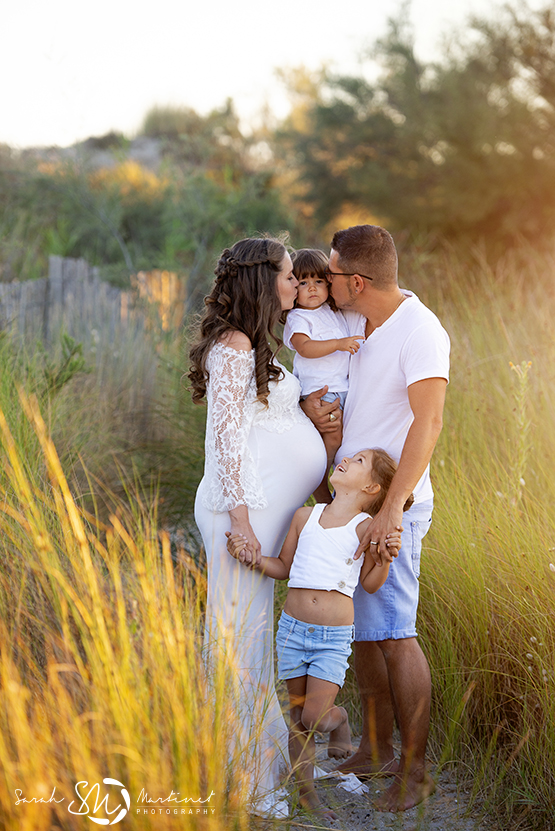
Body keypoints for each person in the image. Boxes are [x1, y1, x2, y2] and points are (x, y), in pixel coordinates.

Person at [301, 224, 450, 812]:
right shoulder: (362, 323)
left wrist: (390, 510)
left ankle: (413, 775)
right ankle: (376, 747)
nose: (323, 281)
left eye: (331, 274)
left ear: (355, 281)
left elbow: (428, 423)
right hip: (353, 504)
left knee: (395, 636)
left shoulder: (421, 330)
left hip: (395, 507)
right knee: (363, 634)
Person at [188, 237, 332, 817]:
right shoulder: (232, 345)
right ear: (262, 280)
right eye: (289, 275)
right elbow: (226, 441)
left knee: (250, 635)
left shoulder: (253, 344)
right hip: (237, 511)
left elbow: (259, 419)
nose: (296, 285)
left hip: (257, 510)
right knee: (238, 638)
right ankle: (245, 778)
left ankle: (250, 760)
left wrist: (310, 414)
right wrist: (242, 521)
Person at [226, 447, 410, 821]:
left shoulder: (364, 528)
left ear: (372, 487)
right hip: (292, 630)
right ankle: (307, 796)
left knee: (315, 717)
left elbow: (370, 584)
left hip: (331, 638)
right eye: (348, 457)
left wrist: (386, 560)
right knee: (298, 722)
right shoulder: (304, 516)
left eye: (358, 462)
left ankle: (339, 720)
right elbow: (282, 566)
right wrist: (250, 556)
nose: (345, 460)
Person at [283, 249, 364, 502]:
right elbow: (305, 348)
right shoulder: (298, 317)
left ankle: (328, 483)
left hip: (340, 387)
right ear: (294, 288)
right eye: (304, 283)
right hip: (320, 390)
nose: (312, 288)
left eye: (318, 281)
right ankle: (319, 485)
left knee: (340, 441)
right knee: (332, 437)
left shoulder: (332, 311)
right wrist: (339, 344)